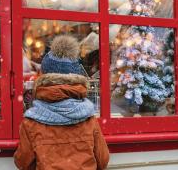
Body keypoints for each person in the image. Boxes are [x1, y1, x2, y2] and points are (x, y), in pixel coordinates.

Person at [14, 35, 109, 170]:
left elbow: (23, 162)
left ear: (44, 78)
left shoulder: (31, 122)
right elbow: (103, 160)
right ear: (76, 79)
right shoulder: (89, 118)